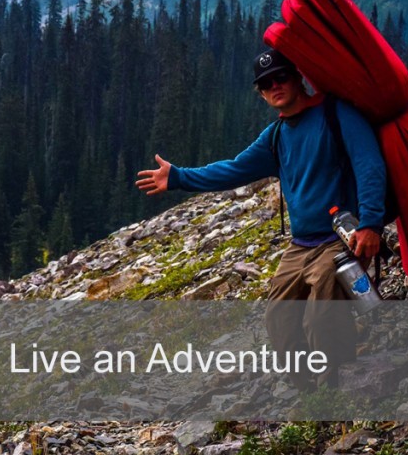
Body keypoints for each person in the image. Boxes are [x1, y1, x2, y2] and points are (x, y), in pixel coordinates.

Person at [136, 48, 386, 389]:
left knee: (321, 320)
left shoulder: (336, 114)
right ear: (261, 92)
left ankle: (335, 393)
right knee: (279, 320)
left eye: (281, 77)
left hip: (340, 240)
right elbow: (234, 169)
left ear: (298, 77)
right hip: (300, 246)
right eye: (266, 84)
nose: (275, 86)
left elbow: (369, 165)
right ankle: (307, 393)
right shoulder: (276, 137)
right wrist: (179, 177)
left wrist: (371, 223)